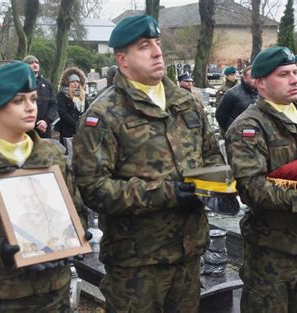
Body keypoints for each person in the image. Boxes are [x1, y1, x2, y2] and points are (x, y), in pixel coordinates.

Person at [72, 15, 224, 312]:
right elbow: (93, 189)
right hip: (137, 263)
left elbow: (211, 156)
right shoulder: (104, 115)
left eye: (157, 43)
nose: (157, 52)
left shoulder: (185, 102)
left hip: (188, 252)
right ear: (123, 60)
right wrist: (165, 193)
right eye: (144, 46)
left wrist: (215, 186)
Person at [0, 61, 89, 311]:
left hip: (54, 296)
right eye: (19, 101)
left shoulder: (52, 155)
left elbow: (78, 211)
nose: (31, 108)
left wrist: (74, 236)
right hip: (0, 300)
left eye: (33, 99)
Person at [225, 46, 297, 312]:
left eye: (295, 72)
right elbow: (252, 188)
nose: (295, 79)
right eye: (284, 74)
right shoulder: (248, 127)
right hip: (272, 250)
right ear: (260, 83)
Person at [23, 55, 58, 138]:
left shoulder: (47, 83)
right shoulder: (20, 83)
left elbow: (53, 104)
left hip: (43, 129)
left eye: (37, 63)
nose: (35, 65)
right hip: (25, 129)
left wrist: (46, 121)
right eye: (31, 63)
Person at [215, 65, 258, 133]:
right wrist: (230, 130)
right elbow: (220, 114)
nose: (234, 77)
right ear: (245, 78)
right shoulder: (231, 92)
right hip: (237, 134)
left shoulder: (261, 92)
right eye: (231, 75)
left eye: (234, 74)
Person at [56, 67, 89, 147]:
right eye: (72, 81)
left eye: (77, 81)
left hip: (81, 131)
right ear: (68, 82)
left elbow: (88, 110)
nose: (75, 83)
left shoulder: (82, 95)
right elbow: (63, 113)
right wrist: (76, 124)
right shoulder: (62, 95)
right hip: (68, 131)